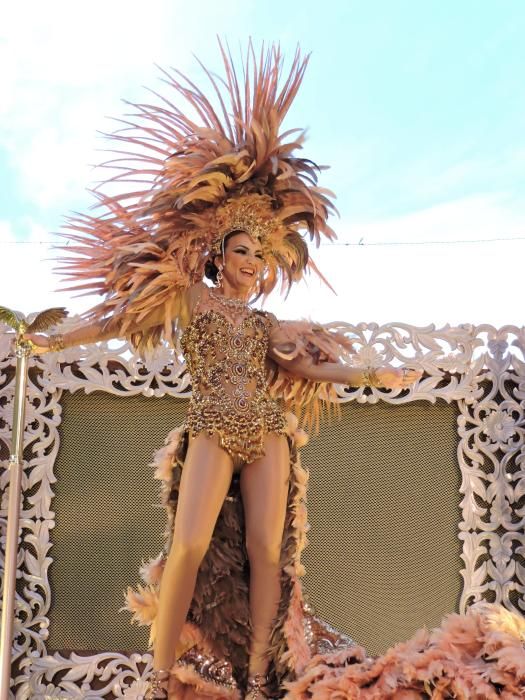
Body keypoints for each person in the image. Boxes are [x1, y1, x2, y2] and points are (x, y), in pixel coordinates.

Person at [24, 42, 423, 699]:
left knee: (270, 557)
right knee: (187, 547)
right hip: (210, 426)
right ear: (218, 253)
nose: (253, 262)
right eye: (242, 249)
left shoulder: (266, 325)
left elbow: (315, 371)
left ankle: (258, 676)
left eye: (261, 254)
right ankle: (157, 676)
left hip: (265, 432)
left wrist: (371, 376)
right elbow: (120, 319)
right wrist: (55, 342)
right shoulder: (186, 297)